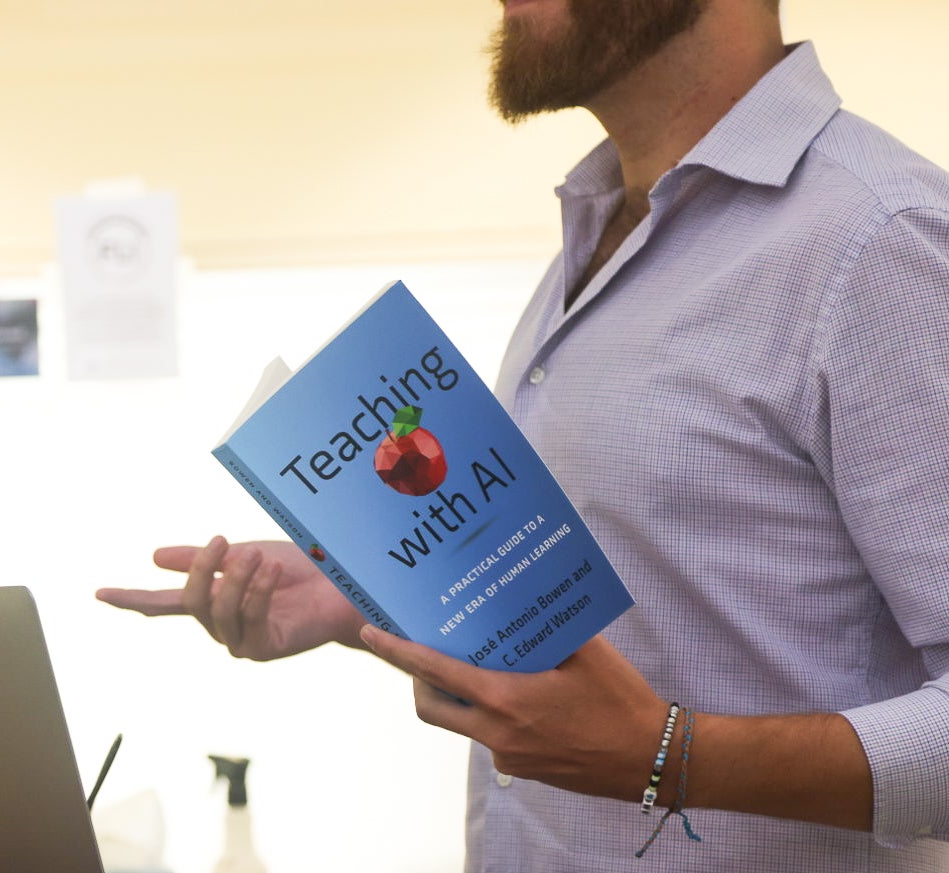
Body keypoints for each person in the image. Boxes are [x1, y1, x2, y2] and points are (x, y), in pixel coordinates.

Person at [98, 0, 949, 869]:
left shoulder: (881, 240)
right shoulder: (601, 228)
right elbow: (642, 598)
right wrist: (369, 594)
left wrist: (669, 756)